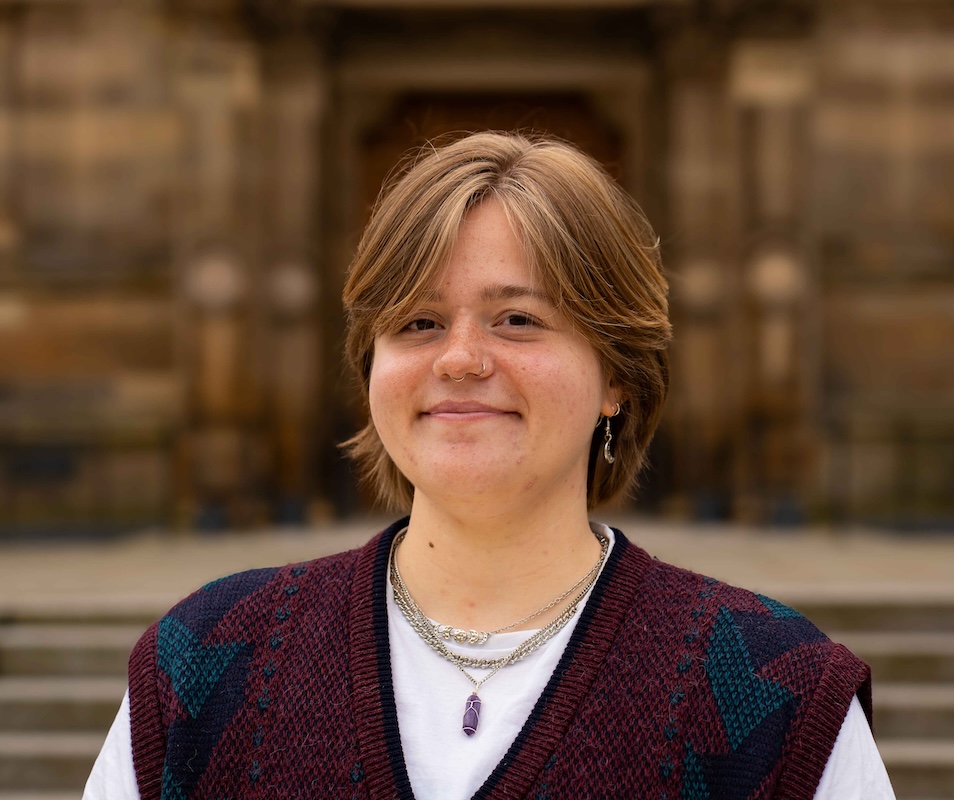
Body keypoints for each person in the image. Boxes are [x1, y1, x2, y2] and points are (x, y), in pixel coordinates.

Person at [84, 131, 894, 799]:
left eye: (517, 318)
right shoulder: (202, 665)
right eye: (420, 322)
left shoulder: (776, 694)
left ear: (617, 374)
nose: (461, 359)